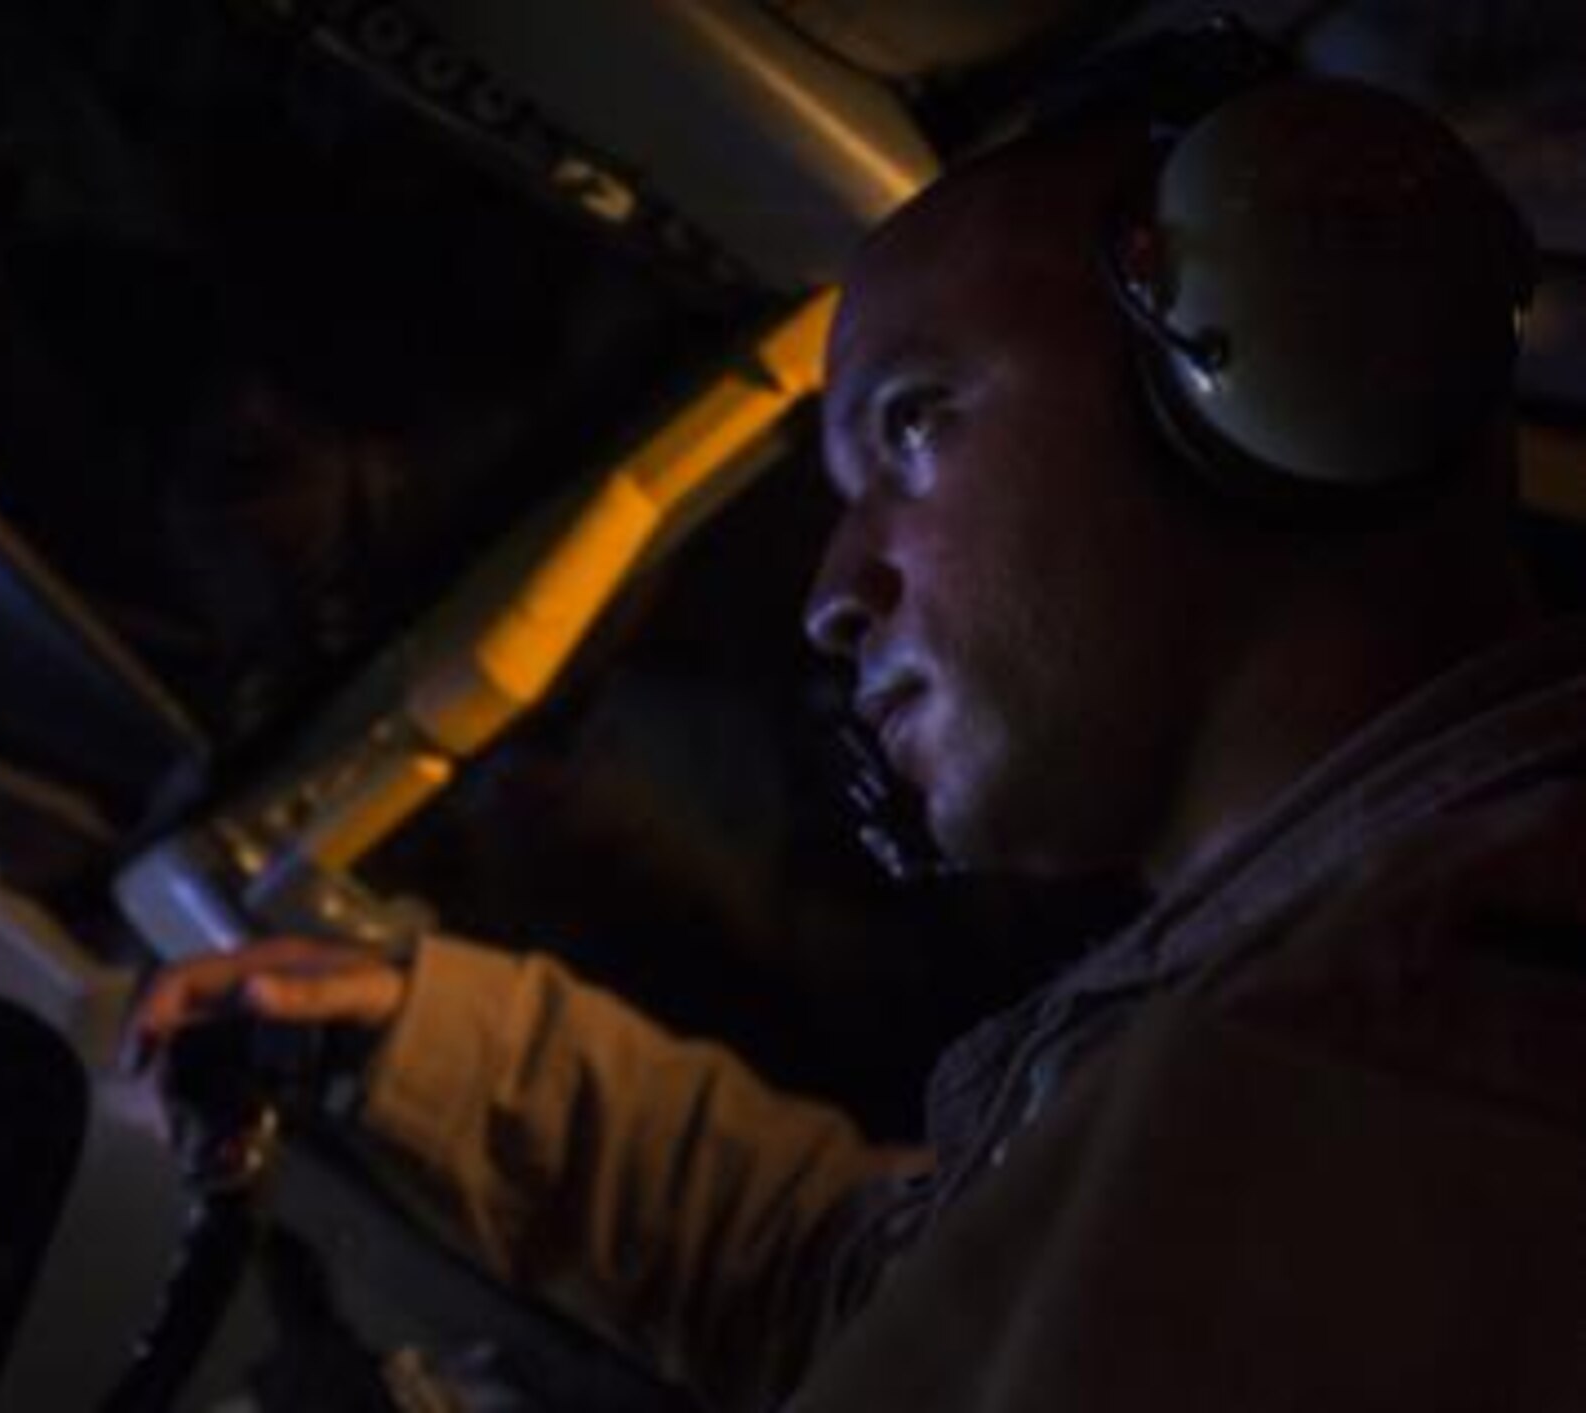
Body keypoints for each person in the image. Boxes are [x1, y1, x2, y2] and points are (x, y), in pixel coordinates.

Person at [129, 39, 1586, 1413]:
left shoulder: (1396, 1080)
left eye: (914, 421)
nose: (832, 592)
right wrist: (423, 1035)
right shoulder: (1288, 1026)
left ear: (1276, 357)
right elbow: (868, 1280)